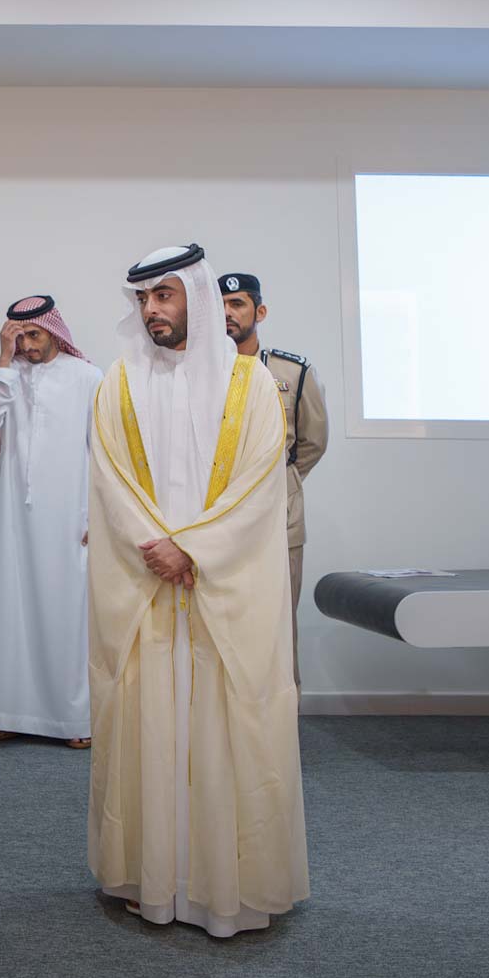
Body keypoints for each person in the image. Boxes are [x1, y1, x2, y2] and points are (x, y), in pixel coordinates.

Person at [86, 243, 307, 938]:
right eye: (143, 298)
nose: (152, 310)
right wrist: (156, 547)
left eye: (165, 295)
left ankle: (229, 888)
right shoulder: (118, 383)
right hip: (148, 589)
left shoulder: (253, 387)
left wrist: (194, 550)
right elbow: (110, 478)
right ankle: (150, 880)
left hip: (222, 589)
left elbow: (261, 484)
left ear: (198, 299)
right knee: (149, 726)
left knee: (226, 728)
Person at [0, 295, 102, 749]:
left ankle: (73, 721)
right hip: (15, 515)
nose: (27, 344)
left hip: (70, 513)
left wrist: (97, 515)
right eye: (19, 337)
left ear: (54, 332)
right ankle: (7, 713)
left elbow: (103, 452)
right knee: (12, 610)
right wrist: (4, 360)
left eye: (34, 335)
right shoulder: (4, 373)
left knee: (68, 613)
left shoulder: (87, 377)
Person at [219, 273, 328, 683]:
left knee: (277, 625)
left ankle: (283, 714)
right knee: (222, 626)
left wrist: (277, 483)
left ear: (259, 311)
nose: (227, 313)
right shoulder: (198, 372)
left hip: (279, 518)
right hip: (217, 518)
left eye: (237, 304)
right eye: (220, 305)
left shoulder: (292, 371)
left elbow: (313, 441)